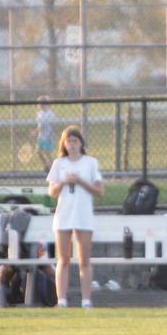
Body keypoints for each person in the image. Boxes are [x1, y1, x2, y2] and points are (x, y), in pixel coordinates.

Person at [46, 125, 104, 308]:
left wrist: (80, 181)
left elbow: (99, 191)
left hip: (83, 215)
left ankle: (86, 300)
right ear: (63, 144)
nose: (72, 144)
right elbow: (52, 192)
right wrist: (64, 181)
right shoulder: (59, 164)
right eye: (68, 141)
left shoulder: (90, 163)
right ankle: (61, 300)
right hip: (64, 215)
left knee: (84, 260)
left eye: (75, 141)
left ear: (81, 143)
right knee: (63, 259)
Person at [35, 95, 56, 171]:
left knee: (48, 153)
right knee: (38, 151)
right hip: (41, 136)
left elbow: (43, 126)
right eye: (38, 104)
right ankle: (47, 165)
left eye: (41, 104)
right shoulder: (39, 114)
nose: (39, 106)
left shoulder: (50, 114)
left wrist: (35, 132)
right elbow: (39, 125)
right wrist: (37, 133)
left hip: (48, 136)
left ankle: (54, 168)